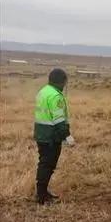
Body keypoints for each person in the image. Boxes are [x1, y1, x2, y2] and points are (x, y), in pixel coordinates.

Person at [33, 68, 74, 204]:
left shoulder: (43, 91)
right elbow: (59, 120)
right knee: (47, 165)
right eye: (65, 82)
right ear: (62, 81)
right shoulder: (56, 96)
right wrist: (67, 136)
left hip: (41, 133)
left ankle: (43, 192)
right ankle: (41, 196)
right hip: (51, 136)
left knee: (44, 163)